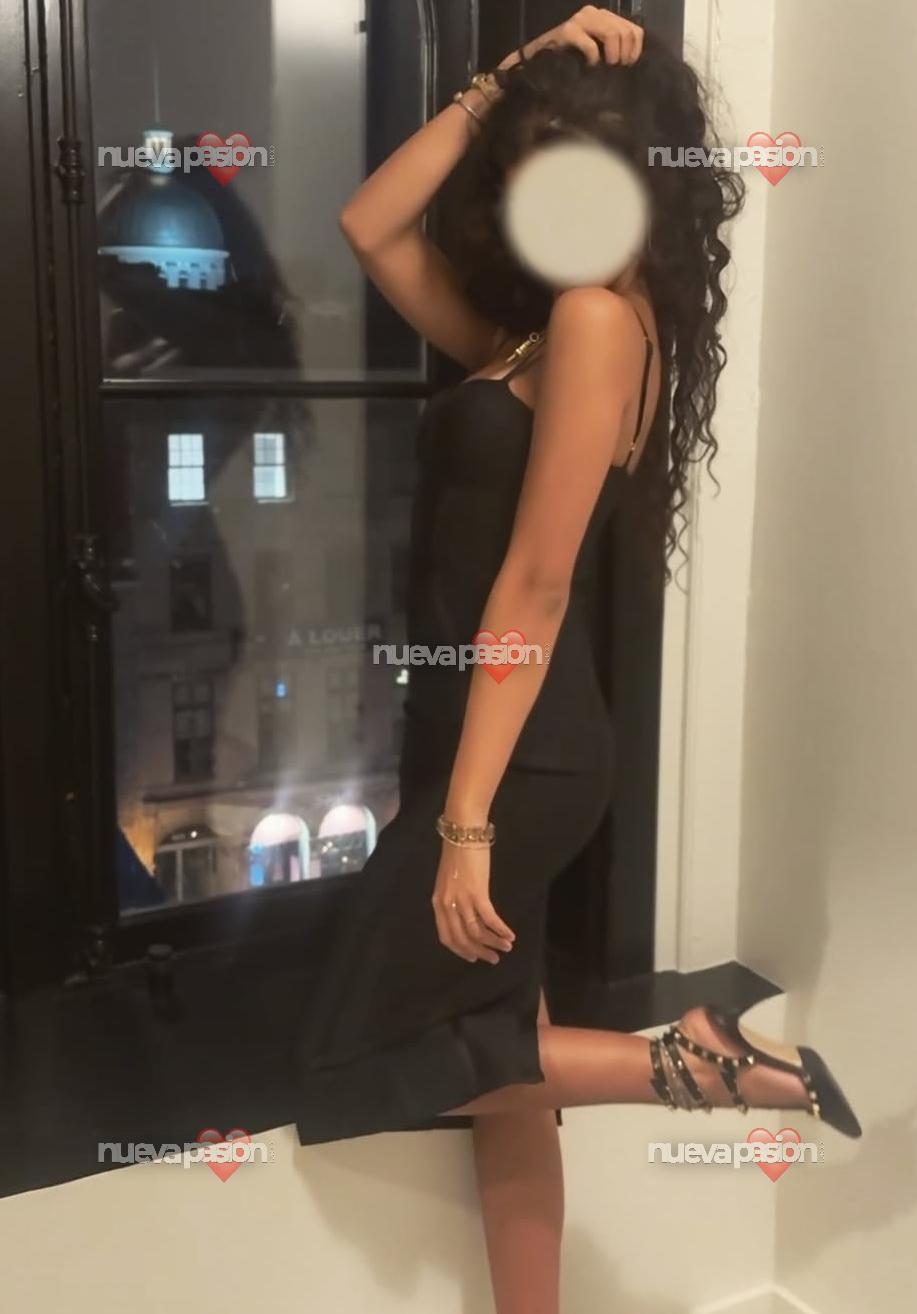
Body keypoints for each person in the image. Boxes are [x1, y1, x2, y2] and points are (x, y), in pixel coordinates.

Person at [294, 9, 861, 1312]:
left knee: (352, 1051)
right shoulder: (540, 333)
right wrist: (502, 77)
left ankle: (707, 1064)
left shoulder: (600, 324)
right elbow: (369, 226)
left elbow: (536, 586)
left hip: (519, 754)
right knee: (507, 1065)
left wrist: (466, 822)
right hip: (486, 736)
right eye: (530, 165)